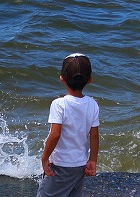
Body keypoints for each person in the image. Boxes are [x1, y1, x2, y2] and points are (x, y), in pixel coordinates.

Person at [37, 53, 99, 197]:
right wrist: (93, 160)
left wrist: (45, 158)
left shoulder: (59, 104)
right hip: (80, 164)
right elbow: (94, 136)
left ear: (62, 78)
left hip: (60, 164)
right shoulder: (92, 104)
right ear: (89, 79)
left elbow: (55, 134)